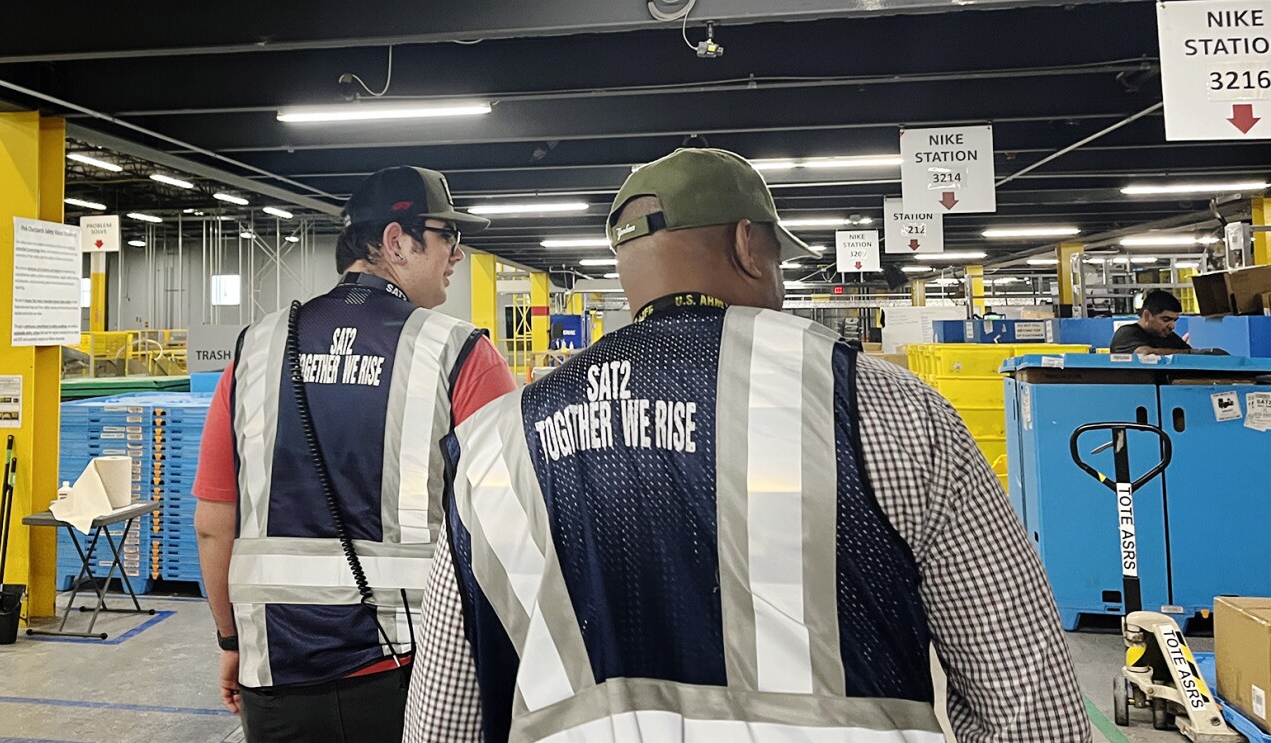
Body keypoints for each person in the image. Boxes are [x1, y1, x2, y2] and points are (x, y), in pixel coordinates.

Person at [405, 148, 1090, 742]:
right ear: (748, 246)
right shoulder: (889, 410)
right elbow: (1032, 711)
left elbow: (444, 721)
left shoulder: (497, 445)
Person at [193, 166, 517, 742]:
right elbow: (509, 530)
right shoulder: (462, 354)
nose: (458, 255)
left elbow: (215, 524)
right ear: (396, 242)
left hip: (277, 671)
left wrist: (232, 643)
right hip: (420, 676)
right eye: (448, 236)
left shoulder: (257, 350)